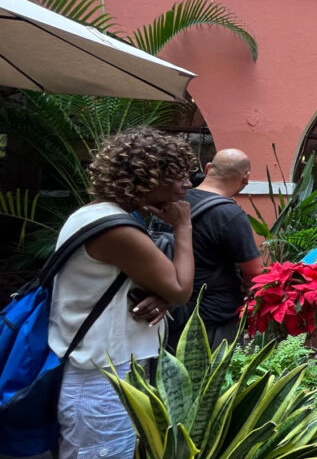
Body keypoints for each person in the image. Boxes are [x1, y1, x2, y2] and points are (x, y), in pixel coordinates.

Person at [50, 128, 196, 459]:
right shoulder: (117, 229)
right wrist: (184, 227)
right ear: (147, 177)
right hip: (100, 380)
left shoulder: (95, 214)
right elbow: (181, 289)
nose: (188, 184)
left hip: (101, 372)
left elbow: (127, 281)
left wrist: (160, 295)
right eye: (178, 176)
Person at [170, 148, 264, 348]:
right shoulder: (229, 214)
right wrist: (247, 286)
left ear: (207, 168)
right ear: (245, 179)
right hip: (212, 316)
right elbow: (255, 271)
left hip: (171, 309)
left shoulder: (175, 200)